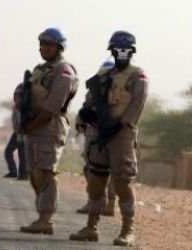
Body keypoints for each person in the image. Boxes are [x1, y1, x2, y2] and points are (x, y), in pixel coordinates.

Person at [69, 30, 148, 246]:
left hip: (122, 134)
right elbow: (89, 102)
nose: (122, 53)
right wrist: (85, 114)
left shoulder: (138, 76)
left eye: (126, 49)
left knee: (122, 182)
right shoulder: (102, 77)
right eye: (118, 49)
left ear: (132, 52)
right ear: (112, 51)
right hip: (98, 134)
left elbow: (136, 106)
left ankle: (127, 230)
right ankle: (91, 227)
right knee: (95, 182)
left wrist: (118, 126)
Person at [16, 27, 79, 234]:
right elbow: (22, 90)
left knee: (46, 172)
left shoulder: (64, 70)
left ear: (59, 47)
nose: (44, 48)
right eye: (42, 44)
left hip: (49, 126)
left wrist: (30, 124)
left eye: (49, 44)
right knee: (34, 174)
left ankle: (46, 219)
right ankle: (42, 217)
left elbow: (53, 105)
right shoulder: (40, 69)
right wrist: (19, 101)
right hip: (33, 125)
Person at [76, 60, 117, 217]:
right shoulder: (94, 89)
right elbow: (86, 109)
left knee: (111, 172)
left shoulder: (123, 89)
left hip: (112, 134)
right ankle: (97, 201)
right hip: (94, 133)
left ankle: (107, 203)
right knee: (91, 170)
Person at [4, 102, 27, 180]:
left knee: (9, 151)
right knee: (22, 153)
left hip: (22, 132)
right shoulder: (17, 107)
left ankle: (18, 173)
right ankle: (22, 174)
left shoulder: (24, 107)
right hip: (19, 132)